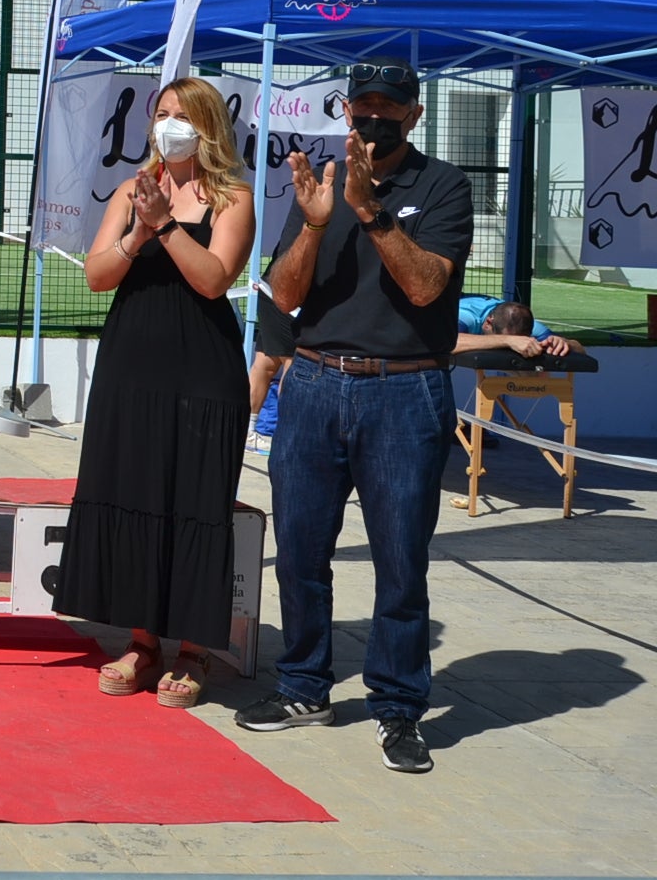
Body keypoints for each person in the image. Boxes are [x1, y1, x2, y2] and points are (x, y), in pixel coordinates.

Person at [238, 58, 473, 775]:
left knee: (401, 561)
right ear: (346, 112)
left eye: (389, 107)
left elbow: (428, 287)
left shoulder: (444, 186)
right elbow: (282, 294)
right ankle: (305, 685)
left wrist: (371, 211)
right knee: (302, 554)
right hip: (312, 386)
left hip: (404, 393)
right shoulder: (319, 186)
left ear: (414, 114)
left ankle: (398, 707)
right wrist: (313, 225)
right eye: (363, 106)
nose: (374, 119)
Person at [55, 76, 256, 709]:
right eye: (160, 114)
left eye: (180, 116)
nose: (166, 125)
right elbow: (95, 275)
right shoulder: (130, 190)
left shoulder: (235, 198)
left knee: (195, 503)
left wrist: (166, 227)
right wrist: (137, 232)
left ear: (207, 128)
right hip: (132, 366)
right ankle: (142, 641)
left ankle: (195, 647)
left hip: (202, 371)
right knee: (134, 493)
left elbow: (214, 280)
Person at [453, 295, 582, 361]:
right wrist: (507, 341)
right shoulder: (465, 316)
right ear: (488, 323)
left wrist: (565, 343)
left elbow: (580, 349)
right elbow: (445, 343)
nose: (518, 343)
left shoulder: (533, 327)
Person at [246, 302, 295, 455]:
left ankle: (248, 430)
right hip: (286, 297)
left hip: (274, 295)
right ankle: (285, 434)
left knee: (266, 363)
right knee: (291, 363)